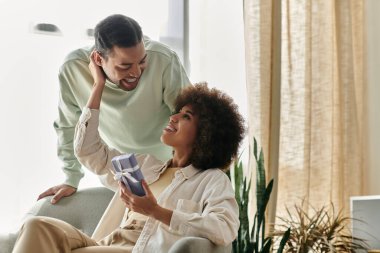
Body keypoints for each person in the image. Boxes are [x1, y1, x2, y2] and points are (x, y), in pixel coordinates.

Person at [12, 51, 245, 252]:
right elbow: (88, 151)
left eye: (186, 116)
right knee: (36, 225)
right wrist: (98, 86)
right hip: (105, 243)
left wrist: (156, 211)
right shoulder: (145, 165)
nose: (173, 117)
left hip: (141, 249)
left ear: (206, 134)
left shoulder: (212, 181)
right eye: (178, 111)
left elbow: (224, 228)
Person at [38, 14, 191, 204]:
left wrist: (193, 174)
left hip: (170, 171)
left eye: (142, 61)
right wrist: (71, 178)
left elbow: (191, 118)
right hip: (119, 175)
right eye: (125, 66)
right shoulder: (73, 69)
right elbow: (68, 126)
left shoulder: (163, 60)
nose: (136, 72)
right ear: (98, 59)